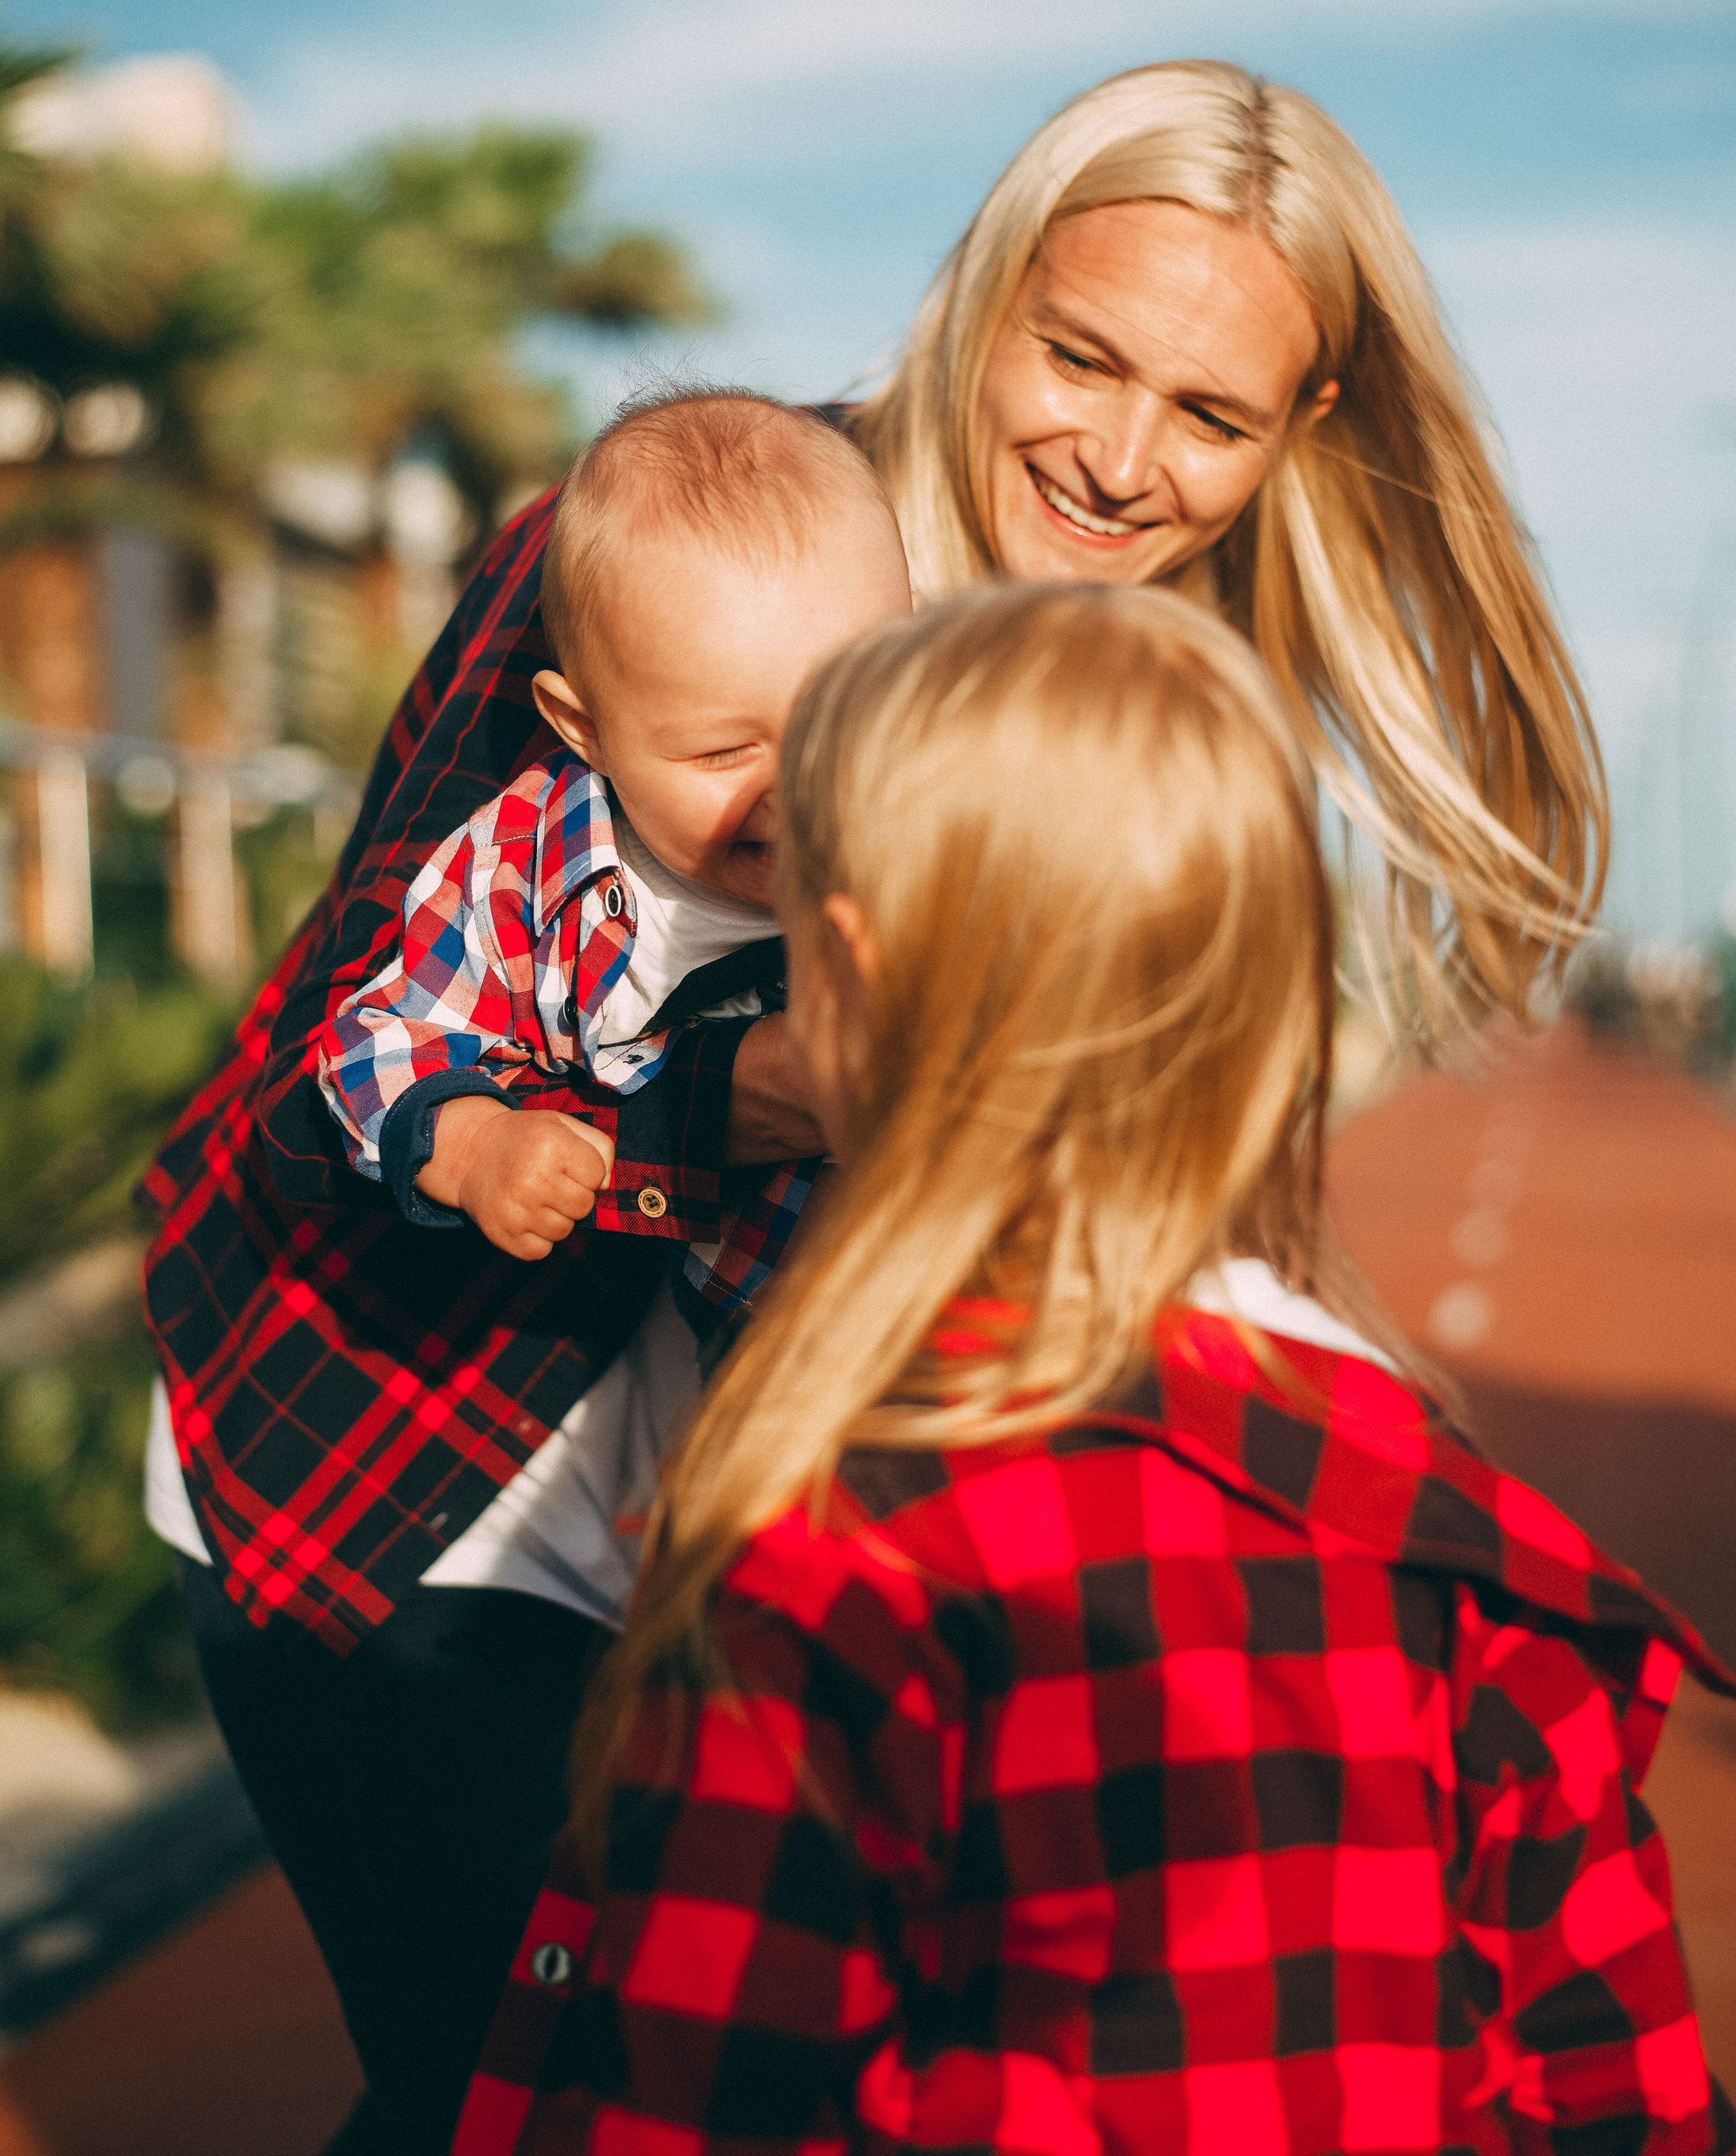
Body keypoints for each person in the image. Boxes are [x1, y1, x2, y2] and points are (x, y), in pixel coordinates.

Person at [138, 60, 1606, 2147]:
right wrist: (731, 1103)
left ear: (1302, 437)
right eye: (1081, 356)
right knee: (520, 2085)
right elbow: (337, 1067)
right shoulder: (672, 533)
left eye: (1206, 414)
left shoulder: (1151, 698)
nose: (1115, 457)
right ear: (987, 295)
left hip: (749, 1535)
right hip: (395, 1483)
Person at [458, 584, 1731, 2156]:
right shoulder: (1466, 1547)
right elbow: (1628, 2097)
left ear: (845, 980)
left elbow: (691, 2100)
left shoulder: (820, 1551)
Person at [142, 388, 910, 2155]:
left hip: (737, 1508)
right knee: (500, 2058)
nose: (790, 790)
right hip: (440, 1499)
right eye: (723, 747)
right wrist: (480, 1137)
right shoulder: (546, 859)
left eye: (841, 718)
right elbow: (369, 1045)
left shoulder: (917, 855)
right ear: (580, 722)